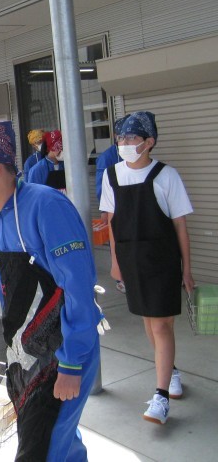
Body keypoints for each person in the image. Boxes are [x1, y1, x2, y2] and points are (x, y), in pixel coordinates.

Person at [0, 118, 103, 461]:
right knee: (62, 443)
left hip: (62, 351)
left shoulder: (46, 206)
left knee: (42, 449)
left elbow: (78, 288)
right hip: (29, 352)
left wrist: (71, 364)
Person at [100, 111, 194, 425]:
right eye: (121, 137)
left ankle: (161, 396)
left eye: (132, 137)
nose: (124, 143)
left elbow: (180, 226)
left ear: (149, 142)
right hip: (131, 262)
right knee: (149, 322)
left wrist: (187, 269)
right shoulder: (111, 175)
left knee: (161, 326)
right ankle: (171, 372)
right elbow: (112, 223)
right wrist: (115, 263)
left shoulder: (167, 176)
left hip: (162, 261)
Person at [96, 116, 127, 294]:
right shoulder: (107, 156)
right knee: (116, 239)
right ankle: (120, 278)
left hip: (130, 205)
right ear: (115, 135)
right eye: (121, 134)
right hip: (114, 206)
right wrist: (104, 210)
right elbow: (101, 184)